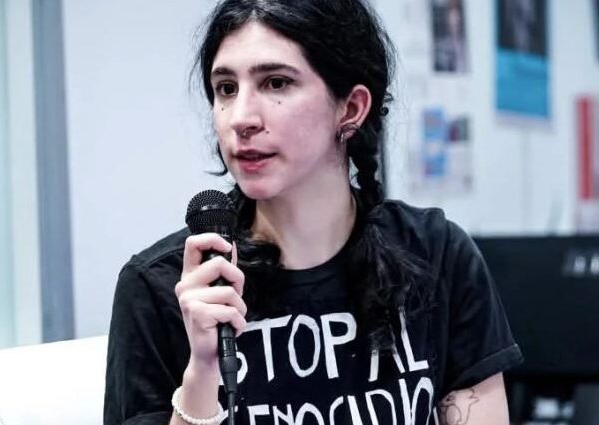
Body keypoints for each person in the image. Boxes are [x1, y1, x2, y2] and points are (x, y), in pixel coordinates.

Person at [104, 1, 522, 424]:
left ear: (351, 108)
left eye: (276, 83)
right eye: (226, 88)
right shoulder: (163, 287)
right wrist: (202, 374)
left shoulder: (435, 254)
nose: (241, 118)